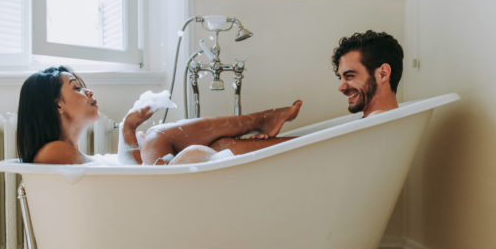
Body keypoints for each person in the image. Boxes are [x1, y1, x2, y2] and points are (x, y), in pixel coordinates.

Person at [16, 66, 302, 165]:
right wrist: (130, 131)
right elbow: (116, 179)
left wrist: (128, 130)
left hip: (147, 196)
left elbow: (117, 173)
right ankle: (264, 120)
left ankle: (299, 144)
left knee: (221, 147)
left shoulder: (65, 152)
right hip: (145, 199)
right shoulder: (52, 152)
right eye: (77, 88)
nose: (89, 92)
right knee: (156, 136)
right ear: (57, 106)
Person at [331, 30, 403, 117]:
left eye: (349, 76)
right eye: (341, 77)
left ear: (383, 74)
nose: (341, 88)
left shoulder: (381, 126)